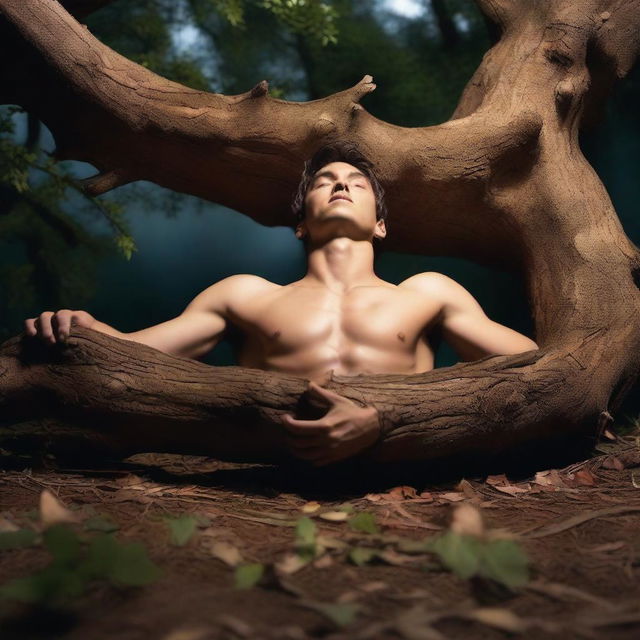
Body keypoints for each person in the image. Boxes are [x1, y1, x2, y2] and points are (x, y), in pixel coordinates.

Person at [24, 142, 538, 467]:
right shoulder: (245, 294)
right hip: (269, 471)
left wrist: (392, 416)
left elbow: (533, 366)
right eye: (325, 181)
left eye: (357, 184)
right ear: (300, 223)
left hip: (401, 460)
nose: (341, 183)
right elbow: (138, 359)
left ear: (381, 225)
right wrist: (85, 328)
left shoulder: (428, 292)